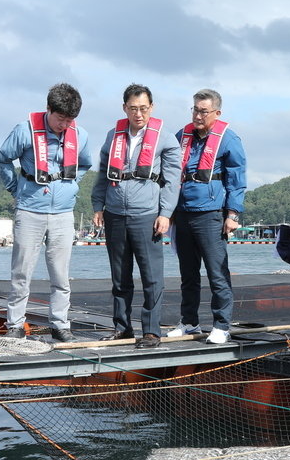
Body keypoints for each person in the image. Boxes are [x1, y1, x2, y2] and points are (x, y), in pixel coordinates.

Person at [0, 83, 92, 343]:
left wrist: (71, 186)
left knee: (61, 274)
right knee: (21, 272)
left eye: (69, 120)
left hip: (63, 213)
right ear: (48, 109)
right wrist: (15, 188)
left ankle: (60, 324)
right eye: (60, 118)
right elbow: (3, 158)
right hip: (30, 209)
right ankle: (15, 324)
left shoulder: (80, 135)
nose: (64, 125)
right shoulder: (24, 130)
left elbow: (85, 164)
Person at [91, 84, 181, 349]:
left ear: (151, 107)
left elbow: (172, 181)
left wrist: (166, 213)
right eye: (133, 108)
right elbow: (102, 174)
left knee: (152, 277)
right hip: (115, 213)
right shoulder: (113, 136)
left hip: (147, 215)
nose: (138, 114)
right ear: (124, 108)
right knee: (120, 276)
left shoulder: (165, 138)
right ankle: (122, 328)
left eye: (143, 108)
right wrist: (98, 205)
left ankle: (151, 331)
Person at [168, 89, 247, 344]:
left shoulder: (229, 139)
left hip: (211, 214)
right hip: (183, 213)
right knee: (188, 274)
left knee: (217, 273)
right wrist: (167, 211)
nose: (198, 116)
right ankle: (189, 322)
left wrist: (233, 214)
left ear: (217, 113)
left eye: (203, 111)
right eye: (195, 110)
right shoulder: (182, 136)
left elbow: (237, 179)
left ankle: (221, 325)